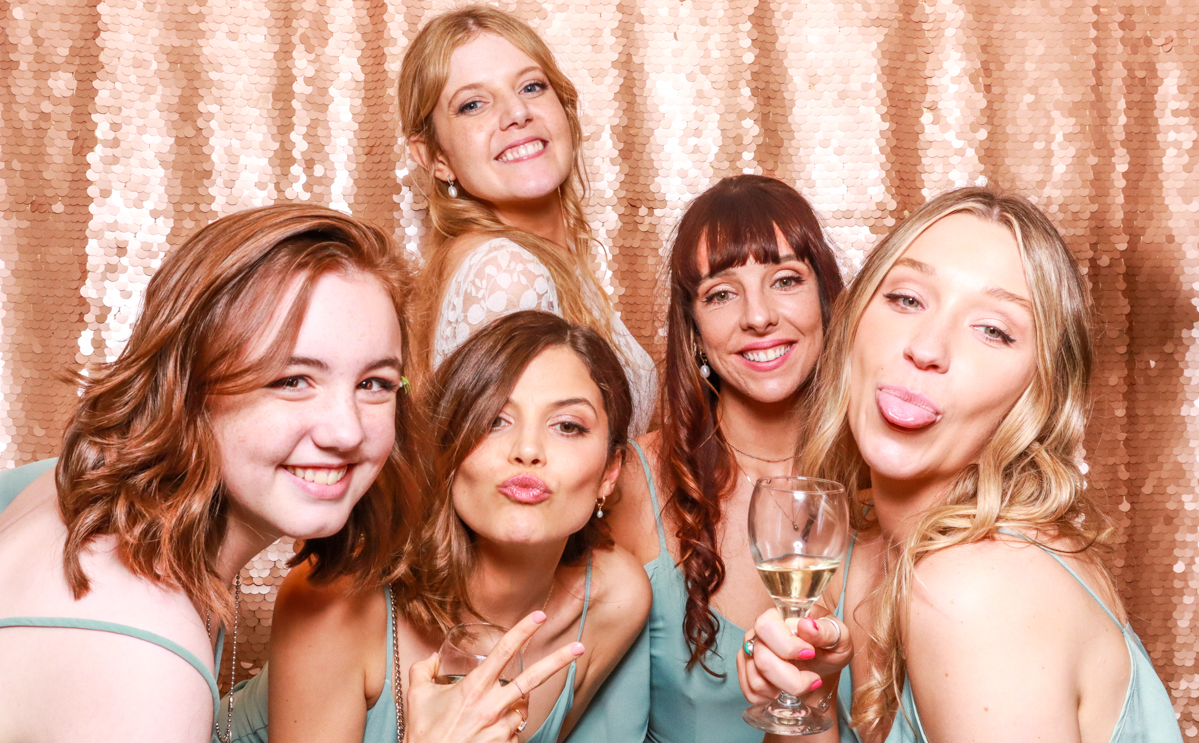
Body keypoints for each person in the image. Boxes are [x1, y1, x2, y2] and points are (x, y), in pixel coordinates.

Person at [738, 187, 1183, 742]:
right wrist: (812, 696)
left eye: (993, 329)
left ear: (1039, 392)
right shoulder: (869, 550)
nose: (927, 347)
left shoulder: (980, 592)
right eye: (906, 299)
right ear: (852, 322)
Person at [0, 205, 415, 741]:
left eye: (375, 383)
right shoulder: (142, 664)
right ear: (188, 387)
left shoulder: (75, 482)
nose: (347, 432)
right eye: (291, 380)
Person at [228, 310, 651, 743]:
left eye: (567, 426)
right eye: (494, 421)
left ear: (610, 472)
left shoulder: (614, 601)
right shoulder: (339, 598)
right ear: (448, 445)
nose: (527, 449)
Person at [571, 175, 844, 743]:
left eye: (786, 280)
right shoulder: (631, 484)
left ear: (826, 300)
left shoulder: (889, 482)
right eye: (721, 293)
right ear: (693, 329)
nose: (759, 317)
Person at [397, 5, 657, 435]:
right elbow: (516, 483)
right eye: (473, 104)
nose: (517, 112)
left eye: (532, 86)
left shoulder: (541, 262)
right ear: (435, 157)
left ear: (564, 108)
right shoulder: (506, 272)